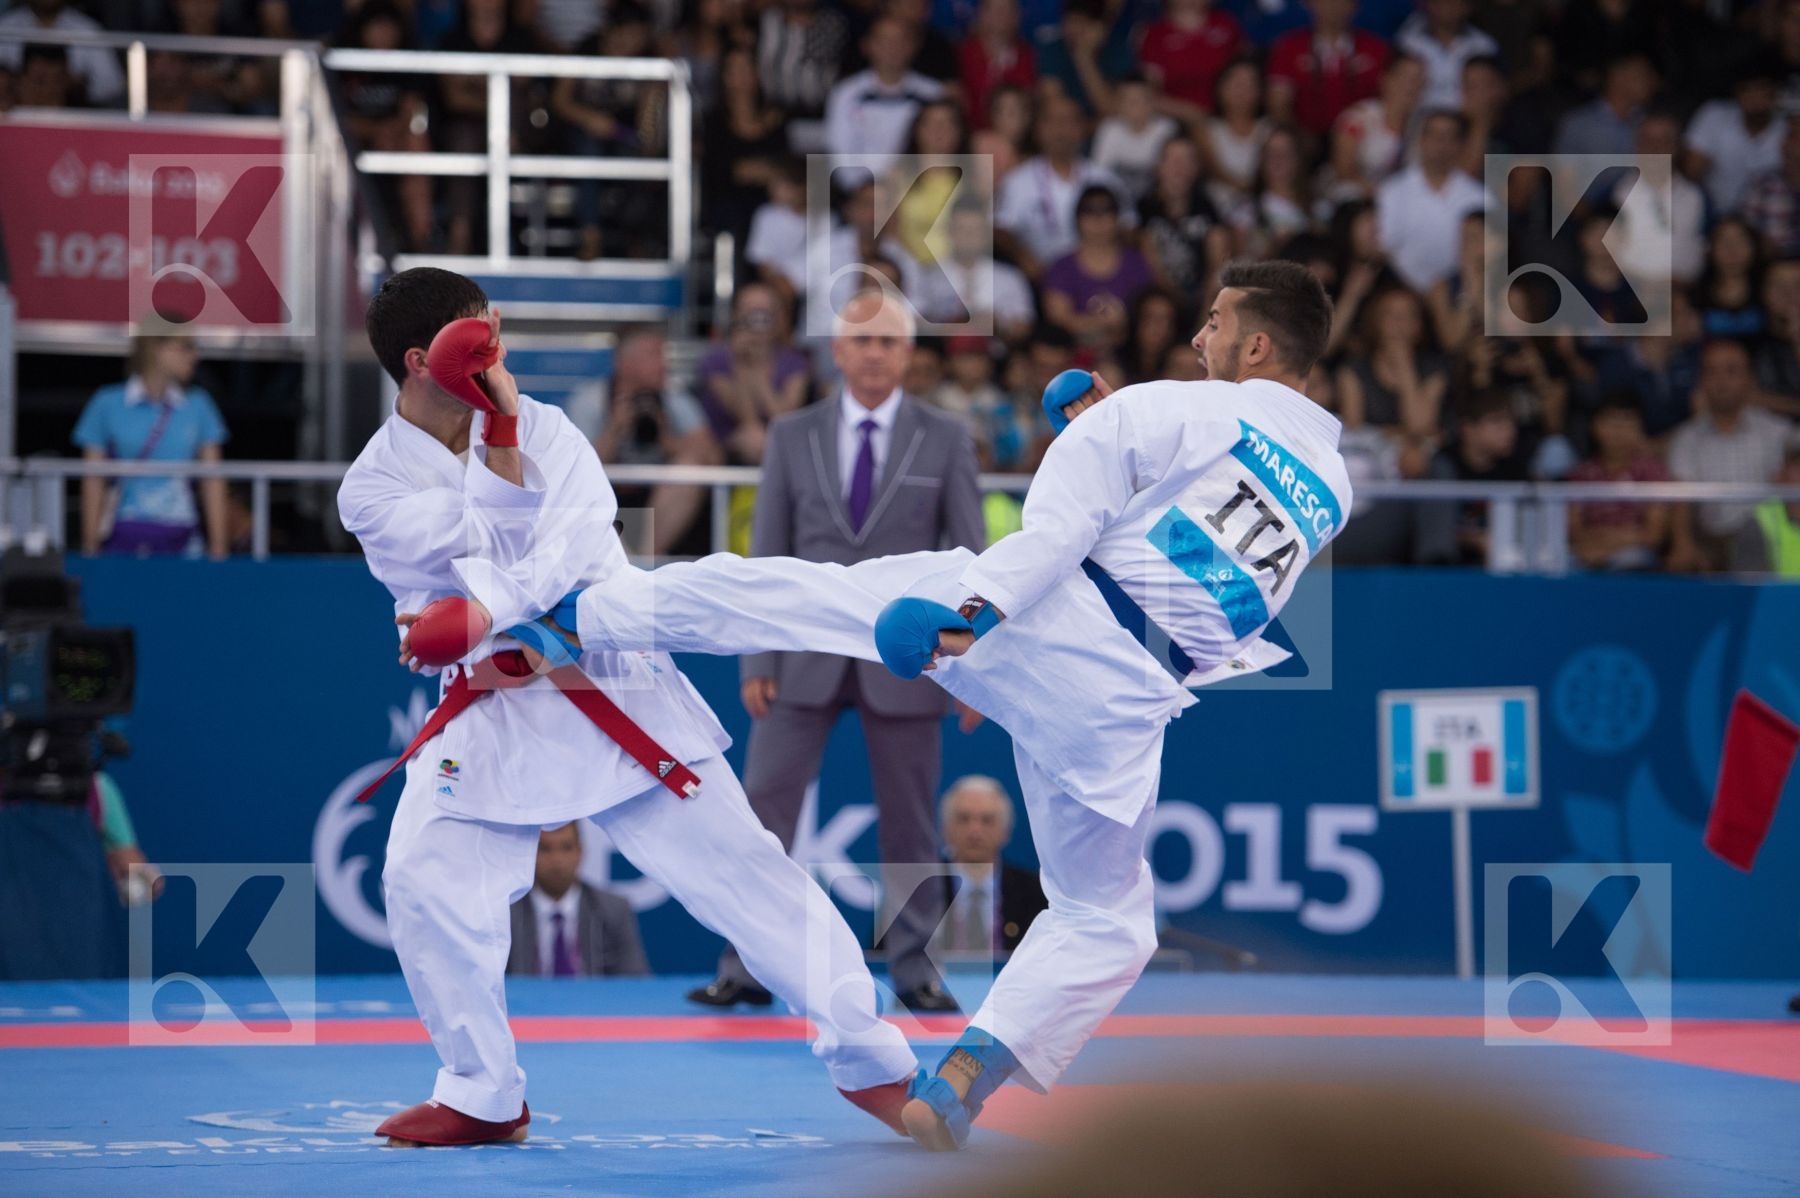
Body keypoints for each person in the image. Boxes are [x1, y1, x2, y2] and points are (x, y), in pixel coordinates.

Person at [557, 260, 1354, 1151]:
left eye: (1214, 322)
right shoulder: (1331, 483)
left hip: (1044, 621)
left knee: (798, 597)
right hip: (1130, 705)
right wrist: (1114, 432)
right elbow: (1196, 553)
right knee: (1110, 920)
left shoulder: (1179, 404)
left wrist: (973, 616)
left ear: (1254, 342)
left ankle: (580, 614)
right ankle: (972, 1067)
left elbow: (1063, 522)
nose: (1199, 337)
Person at [335, 268, 918, 1147]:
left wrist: (488, 607)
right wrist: (491, 549)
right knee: (422, 879)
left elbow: (573, 547)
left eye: (494, 322)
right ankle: (482, 1089)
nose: (497, 341)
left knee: (746, 873)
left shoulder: (553, 430)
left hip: (609, 680)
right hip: (496, 708)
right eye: (475, 334)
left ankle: (874, 1060)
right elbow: (472, 544)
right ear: (424, 361)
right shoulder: (370, 489)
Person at [686, 290, 987, 1015]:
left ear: (909, 352)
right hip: (800, 651)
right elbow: (768, 550)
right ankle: (748, 965)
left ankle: (915, 970)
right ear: (837, 351)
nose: (876, 352)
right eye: (862, 340)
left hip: (910, 655)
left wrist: (973, 668)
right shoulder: (794, 434)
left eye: (889, 340)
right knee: (761, 816)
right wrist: (756, 658)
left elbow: (969, 560)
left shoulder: (946, 436)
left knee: (913, 821)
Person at [74, 331, 229, 559]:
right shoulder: (107, 403)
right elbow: (92, 480)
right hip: (120, 537)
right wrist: (89, 546)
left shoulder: (199, 405)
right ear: (156, 348)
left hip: (183, 539)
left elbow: (213, 481)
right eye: (186, 346)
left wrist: (219, 549)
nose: (195, 356)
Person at [1667, 339, 1799, 572]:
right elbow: (1681, 501)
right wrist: (1683, 544)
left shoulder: (1779, 433)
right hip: (1712, 542)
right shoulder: (1686, 439)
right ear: (1701, 381)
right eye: (1712, 372)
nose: (1722, 381)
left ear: (1750, 378)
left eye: (1731, 371)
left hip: (1765, 535)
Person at [506, 823, 649, 977]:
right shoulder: (507, 912)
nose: (557, 860)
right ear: (530, 855)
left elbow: (635, 981)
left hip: (594, 1001)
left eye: (566, 848)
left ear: (580, 852)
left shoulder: (613, 909)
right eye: (545, 849)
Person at [1376, 109, 1485, 293]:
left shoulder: (1479, 197)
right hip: (1400, 291)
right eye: (1434, 135)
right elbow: (1384, 247)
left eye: (1448, 136)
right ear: (1421, 140)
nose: (1440, 144)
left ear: (1460, 144)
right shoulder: (1391, 192)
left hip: (1460, 292)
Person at [935, 776, 1047, 955]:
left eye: (987, 820)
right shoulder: (919, 891)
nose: (975, 831)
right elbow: (884, 962)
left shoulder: (1036, 892)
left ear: (1006, 830)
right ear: (945, 827)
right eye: (964, 819)